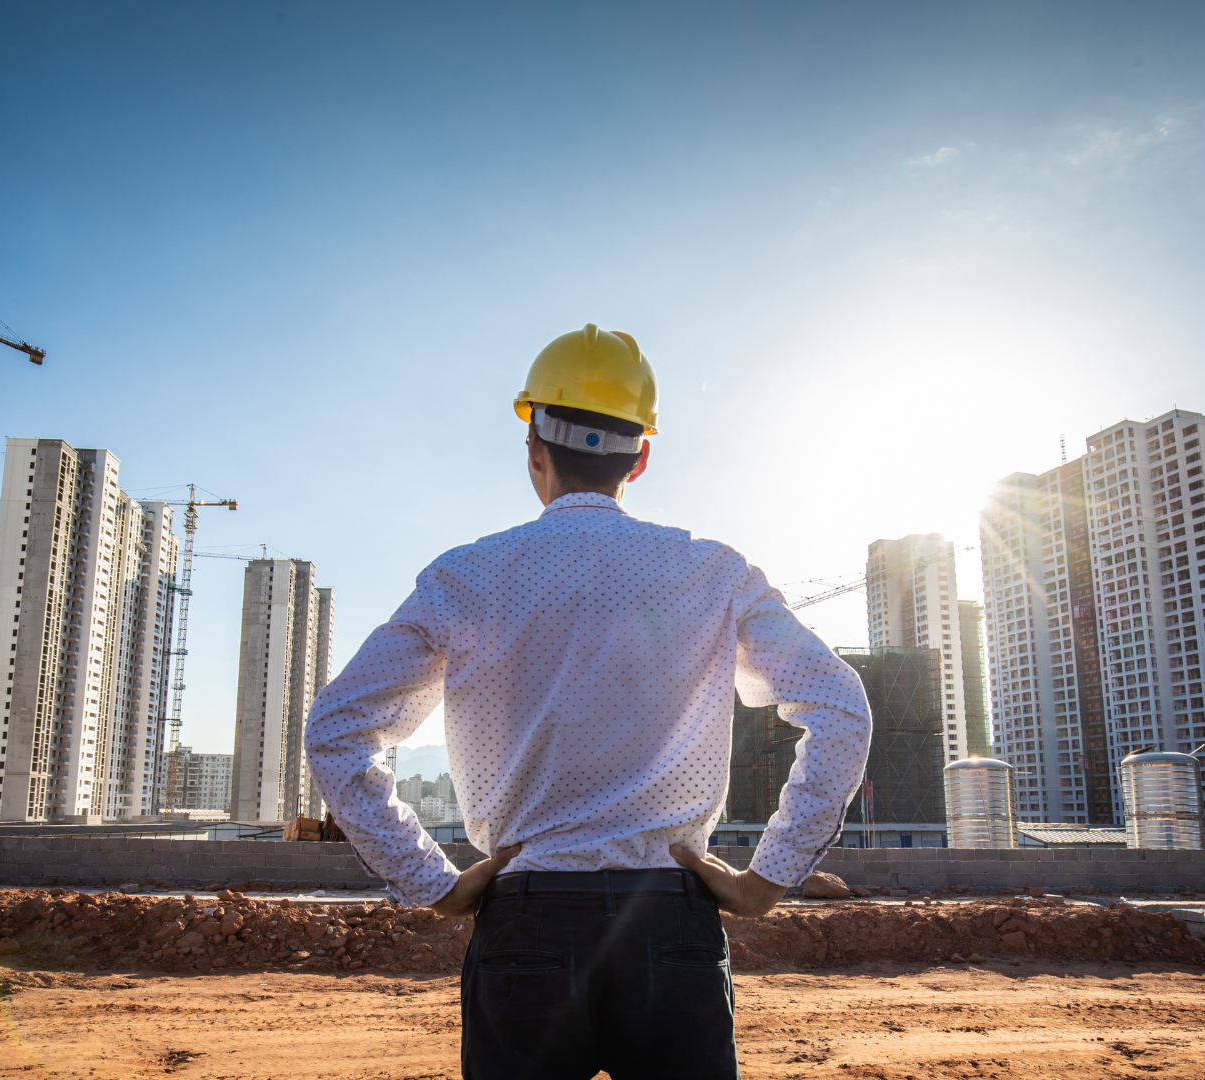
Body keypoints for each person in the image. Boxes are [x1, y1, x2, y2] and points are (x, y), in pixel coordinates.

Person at [306, 324, 871, 1079]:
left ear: (534, 450)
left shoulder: (466, 577)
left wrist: (433, 885)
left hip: (526, 926)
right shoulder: (715, 574)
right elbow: (839, 705)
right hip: (670, 924)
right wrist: (767, 879)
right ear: (640, 456)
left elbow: (337, 729)